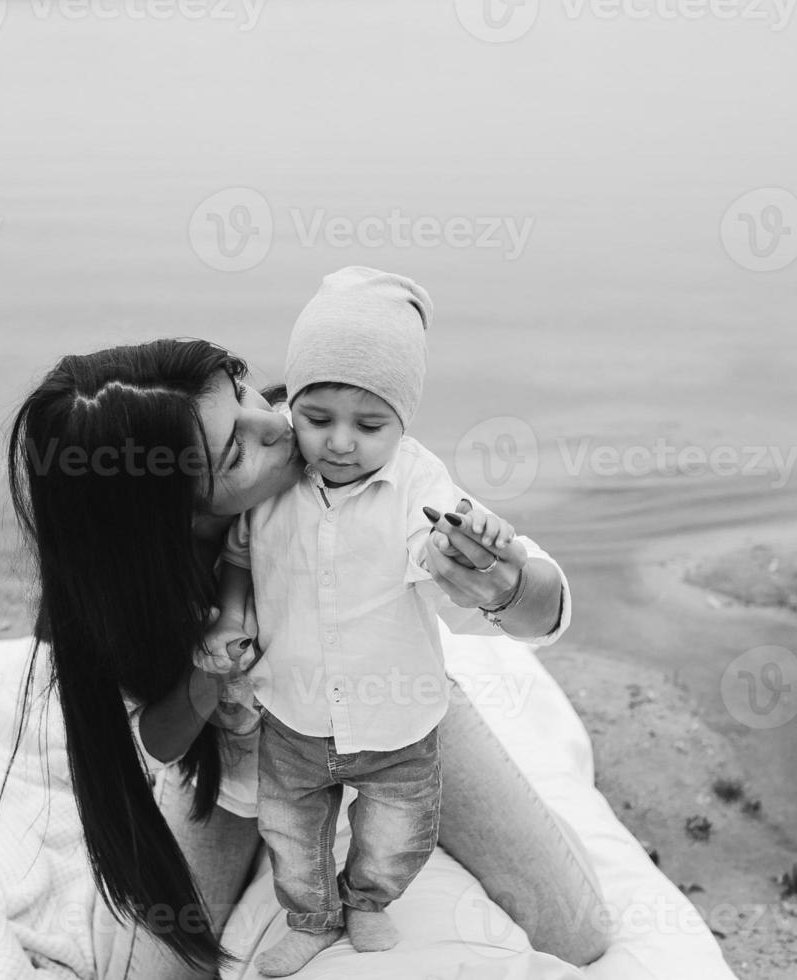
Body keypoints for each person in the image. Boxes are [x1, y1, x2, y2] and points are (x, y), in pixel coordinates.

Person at [2, 336, 611, 980]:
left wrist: (507, 585)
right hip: (244, 767)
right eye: (238, 448)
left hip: (396, 720)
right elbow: (159, 741)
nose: (277, 422)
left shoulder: (352, 455)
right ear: (166, 508)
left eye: (241, 391)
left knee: (577, 931)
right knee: (158, 973)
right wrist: (210, 679)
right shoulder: (124, 593)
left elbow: (540, 603)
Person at [203, 267, 534, 976]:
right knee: (290, 828)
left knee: (398, 828)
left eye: (370, 424)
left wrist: (473, 548)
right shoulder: (276, 483)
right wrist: (229, 616)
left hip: (398, 719)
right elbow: (237, 556)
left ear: (403, 421)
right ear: (294, 406)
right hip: (292, 711)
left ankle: (369, 899)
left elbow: (443, 537)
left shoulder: (417, 481)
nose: (341, 443)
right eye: (317, 419)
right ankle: (312, 915)